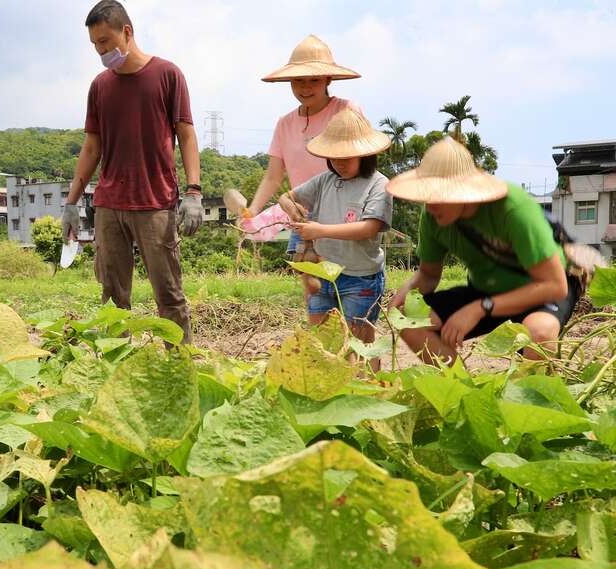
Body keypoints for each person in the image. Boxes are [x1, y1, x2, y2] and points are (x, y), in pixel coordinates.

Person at [61, 0, 203, 343]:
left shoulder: (167, 74)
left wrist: (194, 191)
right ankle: (115, 367)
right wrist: (71, 202)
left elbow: (185, 133)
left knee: (168, 294)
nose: (101, 50)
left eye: (105, 42)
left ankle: (180, 365)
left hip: (155, 203)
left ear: (127, 32)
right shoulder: (100, 86)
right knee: (112, 297)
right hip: (109, 204)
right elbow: (91, 147)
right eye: (95, 44)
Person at [387, 137, 581, 364]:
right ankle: (457, 390)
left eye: (437, 194)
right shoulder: (432, 216)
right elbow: (429, 275)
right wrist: (401, 298)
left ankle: (533, 396)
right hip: (486, 290)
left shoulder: (513, 208)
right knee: (411, 321)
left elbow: (555, 286)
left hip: (537, 291)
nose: (429, 206)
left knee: (540, 333)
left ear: (463, 191)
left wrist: (479, 309)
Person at [249, 35, 362, 297]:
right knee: (315, 294)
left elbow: (362, 159)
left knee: (350, 288)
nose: (305, 87)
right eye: (299, 79)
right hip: (303, 217)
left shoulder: (345, 111)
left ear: (328, 80)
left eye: (314, 79)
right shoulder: (285, 124)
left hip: (344, 215)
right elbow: (273, 176)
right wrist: (253, 210)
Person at [282, 109, 392, 369]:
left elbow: (369, 227)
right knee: (324, 345)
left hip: (360, 278)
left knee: (361, 345)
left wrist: (320, 230)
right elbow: (287, 197)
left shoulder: (379, 184)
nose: (340, 163)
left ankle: (372, 396)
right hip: (322, 275)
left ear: (365, 154)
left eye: (347, 157)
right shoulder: (324, 181)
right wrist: (290, 207)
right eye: (334, 157)